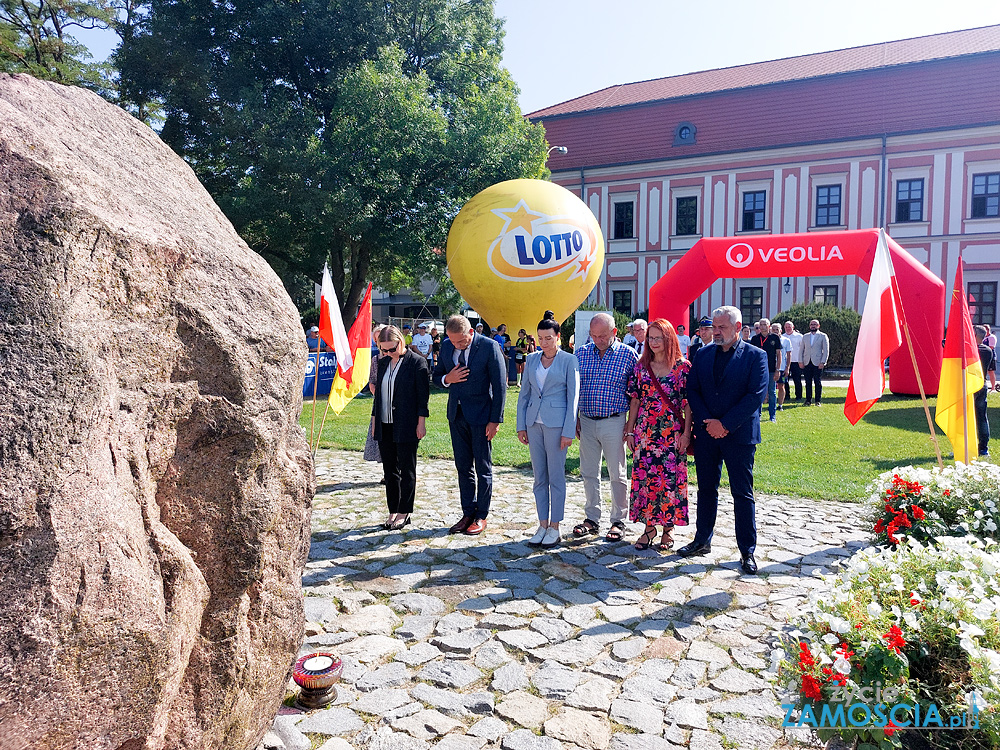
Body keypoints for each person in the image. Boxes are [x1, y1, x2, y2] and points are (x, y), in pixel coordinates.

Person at [680, 306, 768, 575]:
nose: (715, 332)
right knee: (706, 489)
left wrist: (725, 424)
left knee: (742, 493)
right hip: (707, 434)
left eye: (722, 328)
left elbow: (755, 396)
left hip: (739, 436)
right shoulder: (702, 353)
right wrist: (708, 421)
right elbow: (692, 390)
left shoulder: (757, 356)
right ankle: (701, 540)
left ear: (738, 327)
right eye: (713, 327)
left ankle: (747, 551)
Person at [433, 315, 507, 535]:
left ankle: (481, 515)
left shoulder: (489, 347)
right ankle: (467, 512)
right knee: (463, 467)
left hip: (482, 416)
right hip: (456, 415)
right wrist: (448, 379)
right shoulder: (446, 347)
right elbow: (437, 377)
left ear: (472, 333)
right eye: (453, 341)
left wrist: (495, 420)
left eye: (461, 341)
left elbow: (500, 386)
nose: (457, 345)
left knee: (483, 468)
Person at [624, 319, 691, 552]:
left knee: (670, 482)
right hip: (646, 432)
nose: (653, 342)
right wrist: (630, 430)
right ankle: (649, 527)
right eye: (650, 338)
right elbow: (635, 399)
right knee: (646, 480)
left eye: (658, 338)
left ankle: (668, 527)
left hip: (671, 433)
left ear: (669, 338)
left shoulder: (683, 367)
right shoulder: (642, 367)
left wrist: (686, 433)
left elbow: (688, 404)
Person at [571, 313, 639, 542]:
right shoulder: (580, 353)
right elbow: (574, 390)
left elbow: (637, 394)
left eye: (602, 336)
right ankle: (592, 517)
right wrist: (576, 419)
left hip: (614, 420)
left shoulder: (629, 356)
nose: (597, 340)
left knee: (617, 473)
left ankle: (618, 520)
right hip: (587, 420)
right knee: (588, 472)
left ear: (614, 333)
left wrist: (629, 426)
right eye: (593, 335)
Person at [517, 317, 580, 548]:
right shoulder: (532, 359)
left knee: (556, 477)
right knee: (539, 477)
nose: (544, 342)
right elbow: (524, 395)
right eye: (541, 338)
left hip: (557, 426)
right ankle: (542, 524)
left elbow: (573, 398)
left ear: (558, 338)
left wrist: (568, 431)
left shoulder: (569, 360)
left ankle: (555, 526)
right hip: (534, 424)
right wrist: (521, 425)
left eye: (549, 338)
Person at [372, 326, 430, 530]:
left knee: (407, 468)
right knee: (389, 471)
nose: (388, 353)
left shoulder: (417, 362)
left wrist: (421, 423)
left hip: (407, 423)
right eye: (384, 350)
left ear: (401, 341)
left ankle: (405, 511)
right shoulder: (383, 362)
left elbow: (423, 397)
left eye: (391, 349)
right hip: (384, 423)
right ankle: (393, 510)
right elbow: (378, 396)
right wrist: (374, 421)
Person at [749, 318, 782, 423]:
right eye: (760, 325)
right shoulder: (755, 339)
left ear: (769, 326)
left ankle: (772, 415)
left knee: (772, 392)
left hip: (771, 369)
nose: (762, 327)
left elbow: (779, 354)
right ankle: (757, 415)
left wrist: (778, 369)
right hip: (758, 370)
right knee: (758, 392)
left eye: (764, 324)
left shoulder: (774, 338)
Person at [975, 325, 996, 456]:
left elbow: (945, 344)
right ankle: (983, 448)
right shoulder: (988, 350)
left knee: (966, 418)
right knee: (982, 418)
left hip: (970, 387)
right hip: (982, 385)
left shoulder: (970, 350)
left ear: (975, 336)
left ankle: (966, 446)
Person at [799, 319, 830, 406]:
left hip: (818, 362)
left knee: (817, 382)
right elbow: (801, 349)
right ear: (809, 326)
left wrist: (823, 362)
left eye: (815, 324)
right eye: (811, 324)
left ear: (818, 326)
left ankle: (817, 401)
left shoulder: (823, 336)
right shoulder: (805, 336)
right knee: (807, 382)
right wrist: (800, 361)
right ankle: (808, 400)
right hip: (807, 362)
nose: (813, 326)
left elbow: (826, 350)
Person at [783, 321, 804, 401]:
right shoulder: (782, 337)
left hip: (796, 361)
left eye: (789, 327)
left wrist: (801, 361)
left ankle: (798, 396)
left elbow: (803, 349)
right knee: (785, 380)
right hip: (785, 362)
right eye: (786, 327)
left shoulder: (799, 337)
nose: (788, 328)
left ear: (793, 327)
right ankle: (786, 395)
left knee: (797, 379)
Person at [772, 323, 791, 411]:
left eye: (777, 329)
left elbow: (789, 355)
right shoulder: (769, 339)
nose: (775, 331)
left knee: (781, 386)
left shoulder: (786, 340)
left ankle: (780, 405)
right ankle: (769, 403)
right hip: (771, 367)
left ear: (781, 330)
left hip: (782, 367)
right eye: (774, 329)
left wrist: (787, 367)